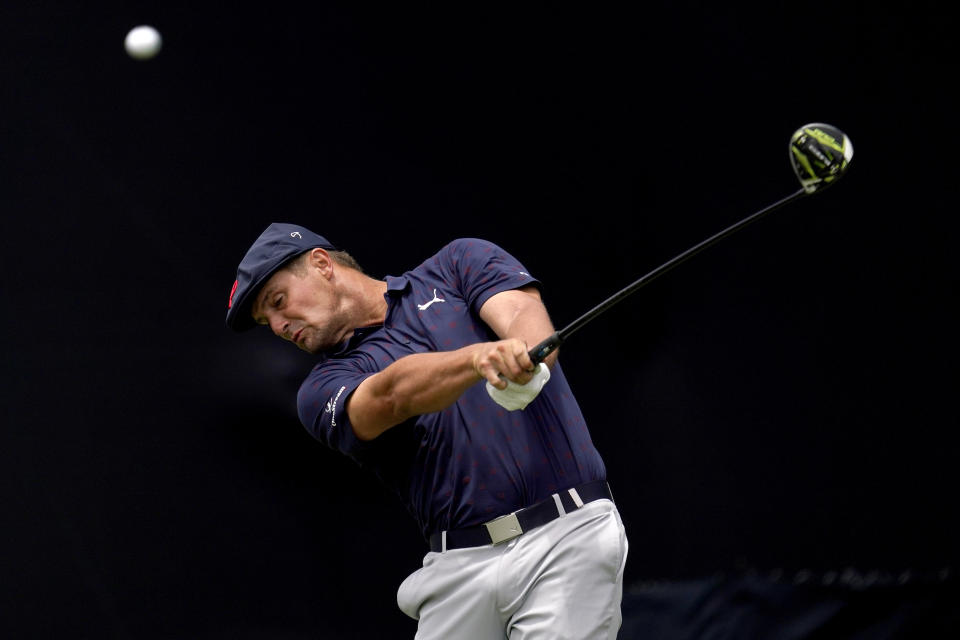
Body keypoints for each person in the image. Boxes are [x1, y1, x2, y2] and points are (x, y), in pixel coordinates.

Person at [226, 222, 629, 639]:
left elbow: (520, 312)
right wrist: (477, 360)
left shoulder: (457, 265)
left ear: (322, 264)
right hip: (456, 570)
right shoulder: (319, 390)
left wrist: (530, 361)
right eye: (265, 321)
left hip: (566, 537)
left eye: (278, 301)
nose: (277, 326)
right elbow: (391, 395)